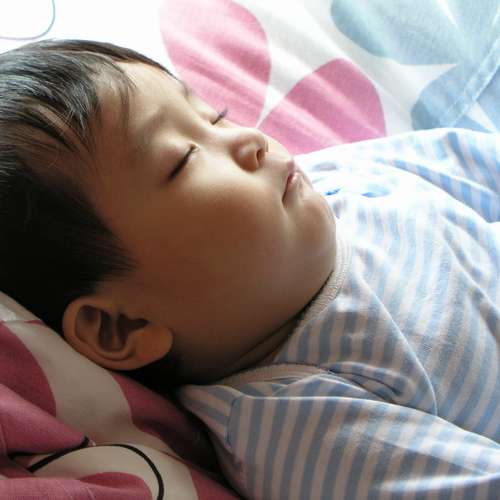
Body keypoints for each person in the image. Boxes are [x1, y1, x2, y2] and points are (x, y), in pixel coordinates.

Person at [0, 39, 498, 499]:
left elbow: (474, 162)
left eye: (215, 118)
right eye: (184, 159)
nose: (251, 139)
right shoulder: (297, 423)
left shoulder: (331, 180)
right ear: (122, 326)